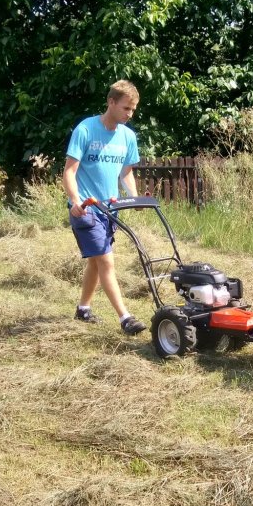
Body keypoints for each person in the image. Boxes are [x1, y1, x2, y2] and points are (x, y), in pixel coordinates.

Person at [62, 80, 147, 335]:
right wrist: (75, 201)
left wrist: (134, 198)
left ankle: (83, 309)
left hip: (110, 210)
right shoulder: (85, 130)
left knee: (96, 262)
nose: (130, 114)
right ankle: (125, 318)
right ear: (111, 102)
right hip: (87, 209)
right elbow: (69, 172)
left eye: (133, 110)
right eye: (126, 108)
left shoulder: (127, 137)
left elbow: (126, 173)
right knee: (106, 261)